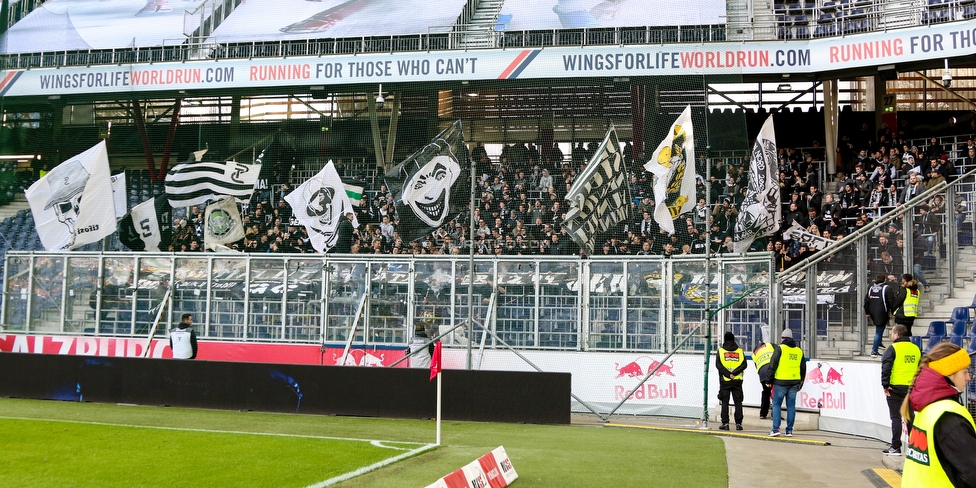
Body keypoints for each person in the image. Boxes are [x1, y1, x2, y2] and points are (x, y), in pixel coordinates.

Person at [901, 343, 976, 487]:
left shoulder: (926, 407)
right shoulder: (949, 416)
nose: (968, 378)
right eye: (964, 372)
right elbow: (971, 472)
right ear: (949, 374)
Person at [880, 325, 921, 456]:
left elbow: (886, 367)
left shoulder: (893, 348)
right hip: (911, 388)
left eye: (892, 333)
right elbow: (921, 368)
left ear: (897, 335)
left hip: (895, 388)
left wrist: (885, 385)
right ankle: (914, 446)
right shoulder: (916, 349)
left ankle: (895, 446)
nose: (892, 336)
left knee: (896, 417)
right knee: (910, 417)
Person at [768, 328, 806, 437]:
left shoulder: (780, 348)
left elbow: (773, 365)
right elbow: (803, 368)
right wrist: (801, 383)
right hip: (794, 382)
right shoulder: (799, 351)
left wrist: (769, 380)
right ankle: (789, 430)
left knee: (776, 404)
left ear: (782, 338)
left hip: (780, 381)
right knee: (791, 406)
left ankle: (776, 429)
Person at [715, 331, 747, 431]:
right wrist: (735, 373)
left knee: (725, 402)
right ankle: (739, 423)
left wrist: (728, 374)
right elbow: (744, 364)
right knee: (738, 402)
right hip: (737, 380)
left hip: (725, 380)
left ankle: (725, 423)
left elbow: (718, 365)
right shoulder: (740, 351)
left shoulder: (720, 351)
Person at [864, 273, 895, 358]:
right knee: (879, 331)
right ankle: (874, 351)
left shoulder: (871, 288)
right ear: (884, 280)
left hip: (873, 312)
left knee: (880, 328)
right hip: (882, 312)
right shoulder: (886, 288)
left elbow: (866, 301)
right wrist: (893, 312)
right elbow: (891, 302)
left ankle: (879, 343)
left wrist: (867, 312)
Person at [753, 340, 775, 420]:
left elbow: (757, 366)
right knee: (774, 391)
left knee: (766, 392)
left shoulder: (755, 353)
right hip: (772, 370)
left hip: (762, 373)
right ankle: (774, 414)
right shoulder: (769, 345)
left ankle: (763, 413)